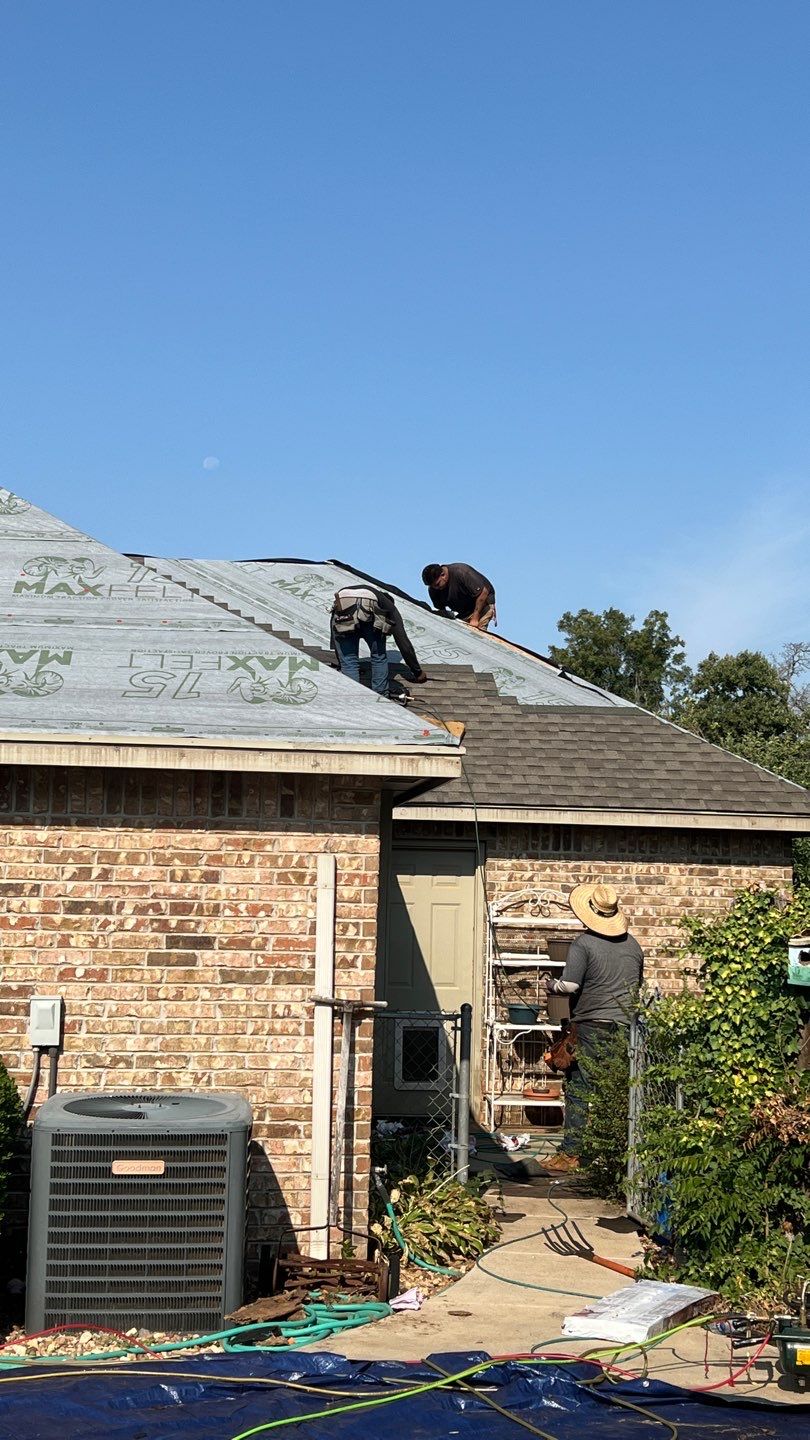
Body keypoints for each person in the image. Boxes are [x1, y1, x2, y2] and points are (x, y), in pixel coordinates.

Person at [540, 882, 644, 1175]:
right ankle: (616, 1157)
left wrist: (551, 984)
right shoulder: (633, 945)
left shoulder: (583, 944)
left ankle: (571, 1154)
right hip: (625, 1028)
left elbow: (571, 985)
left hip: (590, 1027)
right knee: (614, 1090)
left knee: (579, 1088)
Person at [331, 584, 427, 697]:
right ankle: (381, 696)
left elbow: (335, 632)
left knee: (349, 661)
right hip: (369, 605)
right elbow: (403, 642)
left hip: (342, 602)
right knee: (378, 657)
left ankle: (352, 698)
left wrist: (341, 662)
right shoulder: (389, 605)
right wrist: (417, 672)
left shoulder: (358, 592)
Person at [421, 563, 496, 630]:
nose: (436, 588)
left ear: (443, 575)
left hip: (482, 604)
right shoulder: (433, 589)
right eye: (432, 586)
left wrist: (475, 618)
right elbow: (441, 611)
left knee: (479, 635)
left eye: (437, 584)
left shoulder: (461, 572)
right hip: (463, 612)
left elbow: (484, 592)